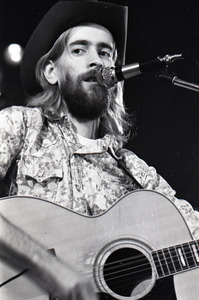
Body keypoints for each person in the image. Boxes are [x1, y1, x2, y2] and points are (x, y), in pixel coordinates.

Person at [0, 1, 199, 299]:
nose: (97, 62)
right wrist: (50, 268)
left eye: (105, 53)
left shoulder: (137, 174)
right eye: (79, 50)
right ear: (51, 71)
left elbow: (192, 235)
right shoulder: (22, 126)